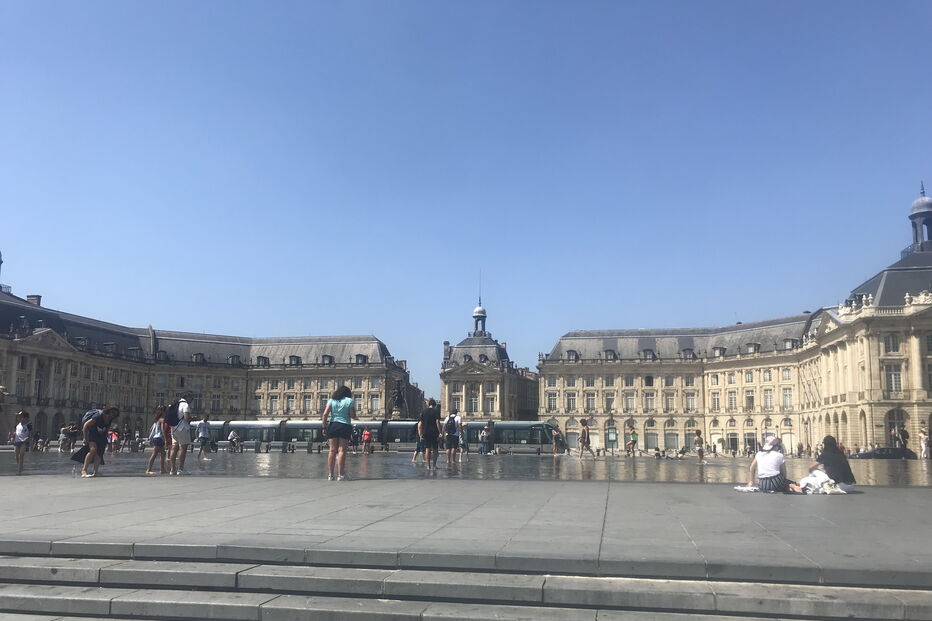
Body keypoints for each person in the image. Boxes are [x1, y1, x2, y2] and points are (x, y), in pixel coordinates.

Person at [322, 385, 356, 481]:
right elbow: (353, 415)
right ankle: (341, 475)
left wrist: (324, 427)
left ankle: (330, 475)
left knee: (332, 450)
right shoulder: (349, 401)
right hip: (344, 425)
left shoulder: (332, 400)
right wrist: (353, 416)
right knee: (342, 450)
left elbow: (325, 414)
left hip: (333, 425)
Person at [79, 406, 120, 478]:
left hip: (102, 435)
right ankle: (84, 470)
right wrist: (85, 438)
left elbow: (106, 428)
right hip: (92, 433)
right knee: (93, 450)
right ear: (108, 411)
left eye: (115, 414)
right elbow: (86, 425)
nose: (113, 415)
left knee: (99, 453)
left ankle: (95, 472)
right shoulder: (98, 416)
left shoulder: (110, 419)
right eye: (112, 413)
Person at [167, 392, 194, 475]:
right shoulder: (185, 405)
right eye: (191, 398)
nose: (192, 400)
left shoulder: (176, 404)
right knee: (183, 448)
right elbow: (186, 418)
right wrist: (192, 418)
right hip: (183, 428)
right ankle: (180, 469)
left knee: (174, 448)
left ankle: (172, 469)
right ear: (187, 397)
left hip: (174, 429)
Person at [418, 399, 442, 469]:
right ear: (434, 405)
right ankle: (434, 465)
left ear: (429, 404)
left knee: (427, 449)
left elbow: (420, 424)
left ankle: (428, 465)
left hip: (426, 432)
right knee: (435, 449)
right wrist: (440, 432)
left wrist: (421, 434)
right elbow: (437, 422)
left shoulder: (424, 412)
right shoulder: (436, 411)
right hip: (434, 432)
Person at [145, 406, 167, 475]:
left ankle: (162, 469)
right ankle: (148, 469)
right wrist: (165, 439)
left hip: (156, 438)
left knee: (163, 453)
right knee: (154, 454)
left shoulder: (156, 420)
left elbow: (151, 430)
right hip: (159, 438)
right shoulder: (162, 420)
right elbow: (163, 430)